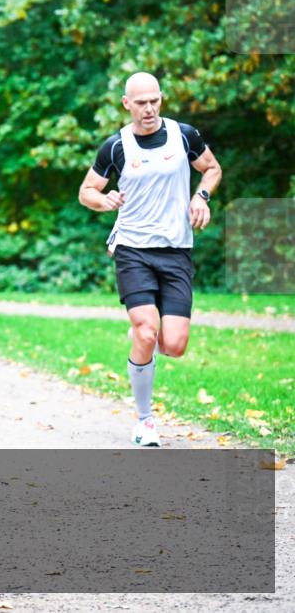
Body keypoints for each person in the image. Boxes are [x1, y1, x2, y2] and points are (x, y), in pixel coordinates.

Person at [78, 72, 222, 447]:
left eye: (154, 100)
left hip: (176, 249)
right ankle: (145, 421)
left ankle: (146, 334)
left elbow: (212, 169)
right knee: (146, 331)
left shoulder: (183, 135)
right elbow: (87, 191)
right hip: (133, 248)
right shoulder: (116, 147)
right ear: (126, 104)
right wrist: (103, 200)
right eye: (141, 102)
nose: (149, 108)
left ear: (161, 100)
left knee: (173, 345)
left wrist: (201, 197)